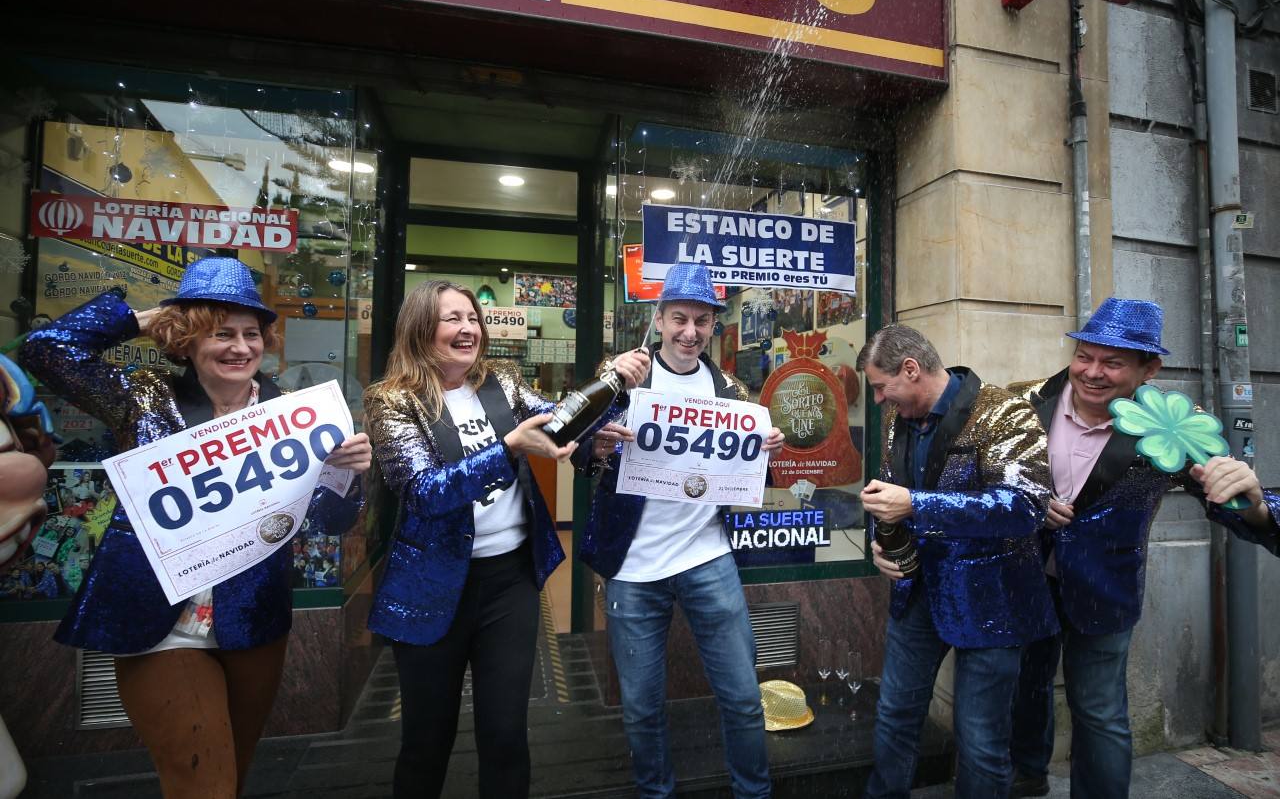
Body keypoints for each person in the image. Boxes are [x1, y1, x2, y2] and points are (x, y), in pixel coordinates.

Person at [18, 256, 371, 799]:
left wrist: (344, 476)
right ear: (185, 338)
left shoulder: (295, 414)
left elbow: (328, 522)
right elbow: (46, 350)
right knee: (203, 783)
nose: (240, 347)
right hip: (159, 623)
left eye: (251, 334)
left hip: (251, 621)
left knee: (231, 774)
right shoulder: (144, 398)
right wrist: (149, 317)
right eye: (220, 332)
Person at [364, 279, 648, 799]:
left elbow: (561, 425)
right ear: (420, 326)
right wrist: (510, 447)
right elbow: (426, 493)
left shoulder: (503, 381)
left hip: (509, 582)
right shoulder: (390, 401)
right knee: (427, 741)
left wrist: (610, 393)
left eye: (472, 318)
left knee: (505, 735)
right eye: (452, 318)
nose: (468, 327)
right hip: (428, 588)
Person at [1006, 298, 1280, 799]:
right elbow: (987, 478)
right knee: (1025, 687)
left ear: (1149, 368)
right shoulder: (1021, 403)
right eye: (1084, 356)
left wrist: (1257, 502)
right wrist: (1023, 503)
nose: (1092, 372)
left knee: (1100, 709)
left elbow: (1234, 506)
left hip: (1105, 589)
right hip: (1025, 579)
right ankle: (1026, 774)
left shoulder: (1174, 425)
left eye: (1112, 363)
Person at [579, 262, 785, 799]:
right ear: (659, 318)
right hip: (634, 567)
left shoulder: (732, 390)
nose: (689, 332)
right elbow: (574, 443)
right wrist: (598, 442)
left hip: (707, 557)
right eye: (679, 319)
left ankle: (753, 793)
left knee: (742, 697)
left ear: (714, 324)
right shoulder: (624, 375)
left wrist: (768, 452)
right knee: (643, 709)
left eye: (700, 321)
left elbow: (748, 473)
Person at [859, 323, 1057, 799]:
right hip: (917, 593)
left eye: (882, 388)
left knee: (981, 739)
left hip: (993, 600)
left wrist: (917, 505)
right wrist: (880, 543)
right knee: (895, 714)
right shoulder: (897, 419)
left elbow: (1024, 507)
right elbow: (890, 493)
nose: (880, 401)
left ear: (911, 370)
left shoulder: (1006, 413)